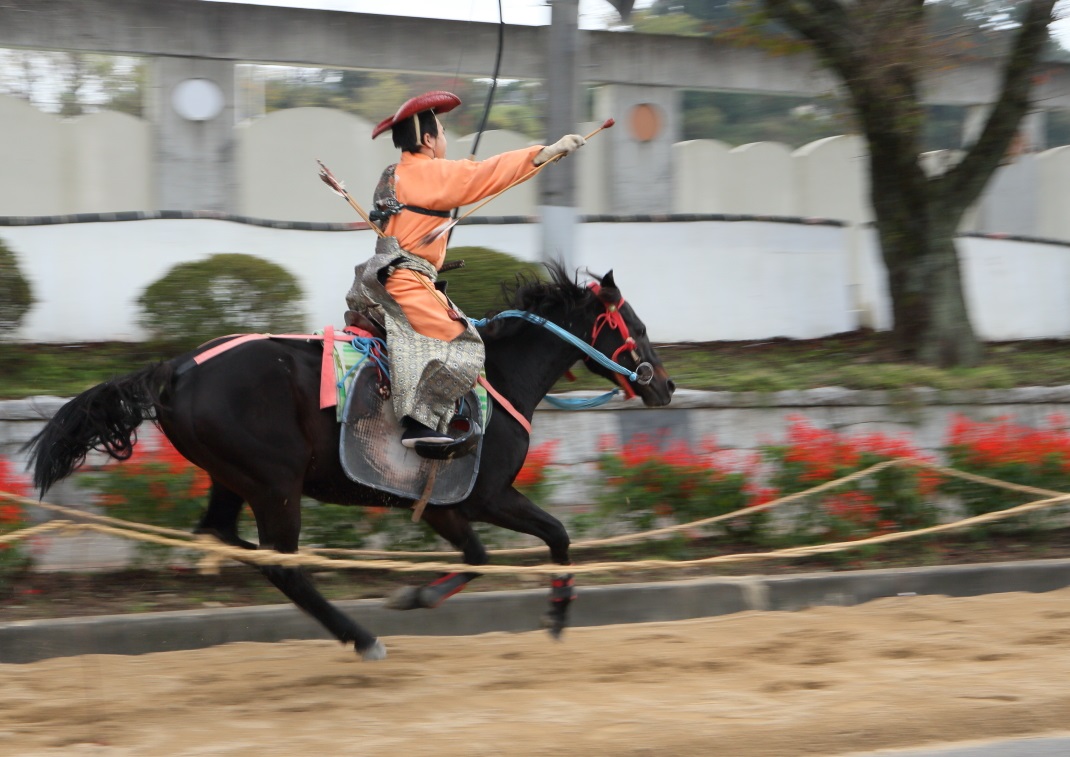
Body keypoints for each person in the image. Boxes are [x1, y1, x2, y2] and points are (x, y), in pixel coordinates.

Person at [345, 90, 586, 448]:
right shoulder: (431, 173)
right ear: (427, 139)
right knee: (465, 344)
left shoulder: (392, 174)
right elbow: (485, 174)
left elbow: (454, 186)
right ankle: (418, 425)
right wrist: (543, 154)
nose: (443, 138)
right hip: (406, 283)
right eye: (440, 132)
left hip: (378, 279)